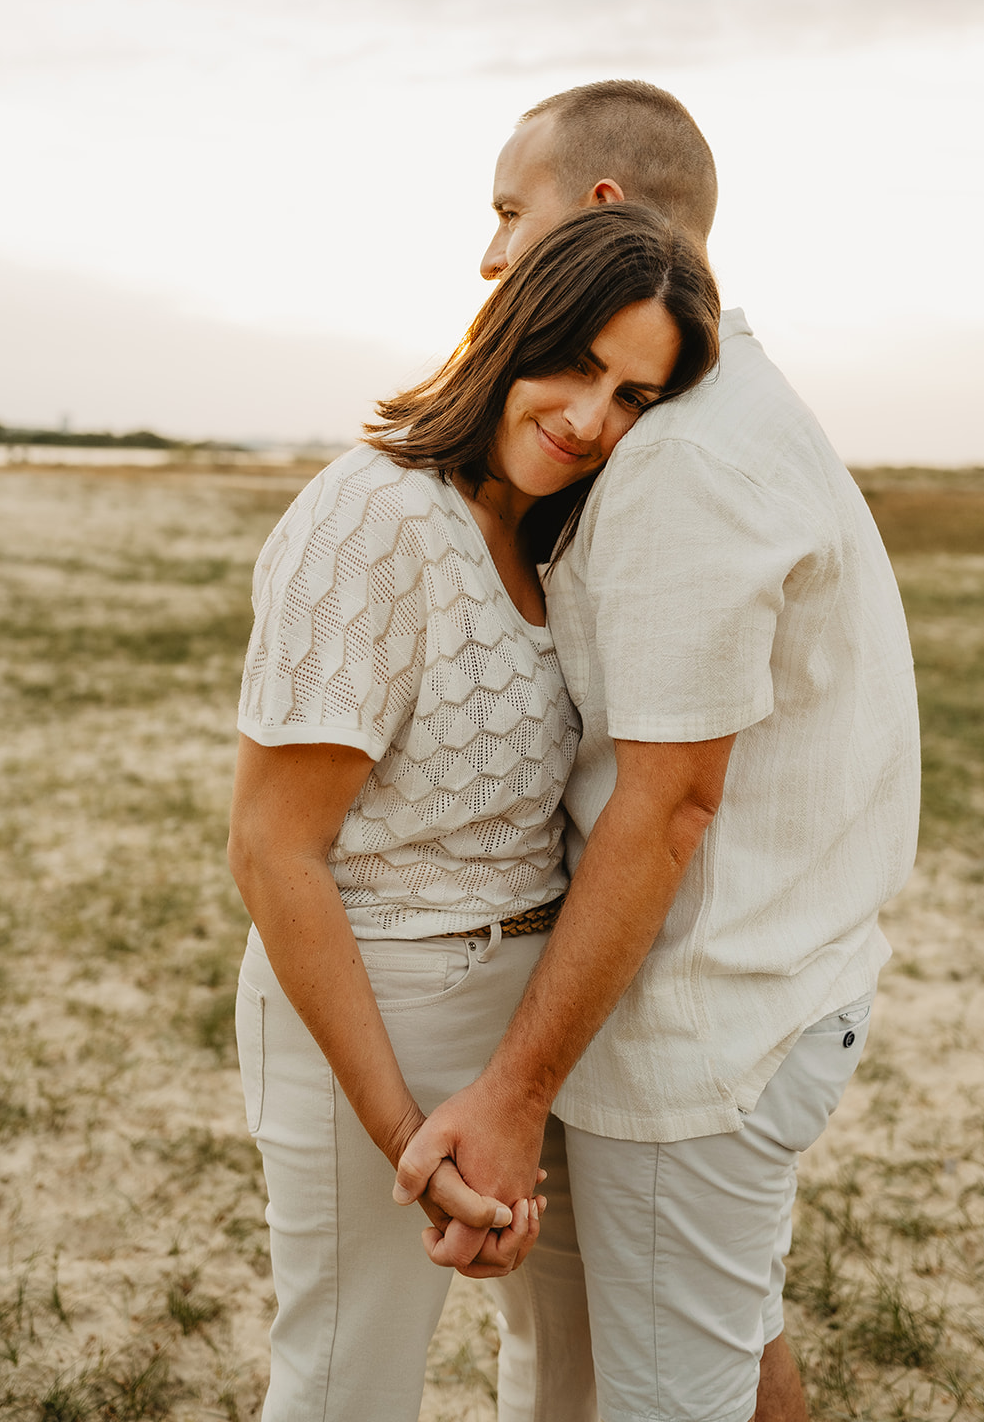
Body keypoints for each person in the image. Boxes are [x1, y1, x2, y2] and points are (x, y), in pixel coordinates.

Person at [395, 81, 921, 1422]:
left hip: (702, 1027)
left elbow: (670, 805)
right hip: (760, 985)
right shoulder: (711, 403)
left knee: (661, 1395)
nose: (489, 252)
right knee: (709, 1354)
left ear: (598, 208)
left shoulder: (684, 452)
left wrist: (511, 1090)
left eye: (508, 210)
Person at [227, 200, 721, 1422]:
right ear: (508, 326)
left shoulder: (562, 538)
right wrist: (405, 1128)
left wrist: (520, 1081)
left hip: (535, 1029)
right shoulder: (371, 517)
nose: (588, 420)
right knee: (348, 1381)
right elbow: (272, 849)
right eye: (575, 364)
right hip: (375, 1004)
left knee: (578, 1366)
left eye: (633, 399)